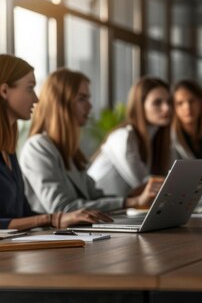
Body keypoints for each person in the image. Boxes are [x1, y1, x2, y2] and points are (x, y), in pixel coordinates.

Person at [0, 54, 110, 303]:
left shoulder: (9, 152)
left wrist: (63, 220)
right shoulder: (35, 147)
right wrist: (52, 218)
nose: (36, 99)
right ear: (4, 90)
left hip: (16, 270)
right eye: (29, 88)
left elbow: (23, 212)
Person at [20, 68, 161, 214]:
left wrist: (132, 197)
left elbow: (95, 197)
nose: (90, 106)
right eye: (82, 99)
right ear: (60, 104)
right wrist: (131, 202)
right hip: (51, 235)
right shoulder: (37, 147)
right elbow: (61, 209)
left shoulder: (69, 153)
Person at [88, 76, 172, 197]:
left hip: (120, 209)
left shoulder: (156, 138)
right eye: (157, 102)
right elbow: (144, 184)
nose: (167, 108)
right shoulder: (123, 137)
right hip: (95, 208)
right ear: (140, 106)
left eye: (169, 102)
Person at [171, 79, 202, 159]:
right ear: (173, 108)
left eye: (192, 101)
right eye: (180, 103)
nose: (187, 107)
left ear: (201, 103)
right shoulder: (171, 138)